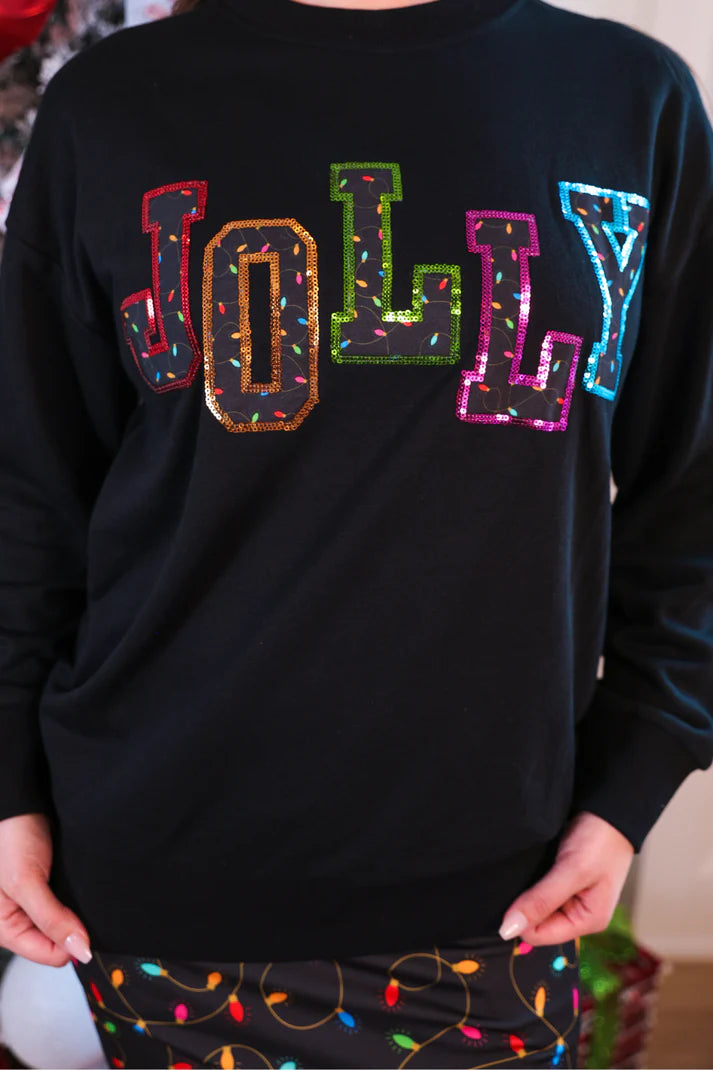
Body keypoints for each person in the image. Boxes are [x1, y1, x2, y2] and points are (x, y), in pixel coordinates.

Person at [1, 0, 712, 1065]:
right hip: (162, 873)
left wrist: (630, 783)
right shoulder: (112, 103)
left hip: (498, 887)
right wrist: (8, 784)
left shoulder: (627, 97)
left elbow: (691, 495)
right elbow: (30, 491)